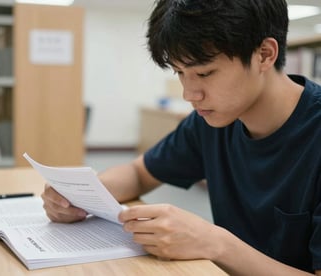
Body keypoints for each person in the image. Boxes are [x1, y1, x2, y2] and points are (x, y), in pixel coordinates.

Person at [41, 0, 321, 275]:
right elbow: (140, 173)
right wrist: (80, 197)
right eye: (180, 73)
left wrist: (216, 243)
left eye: (204, 73)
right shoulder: (212, 121)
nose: (189, 95)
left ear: (264, 54)